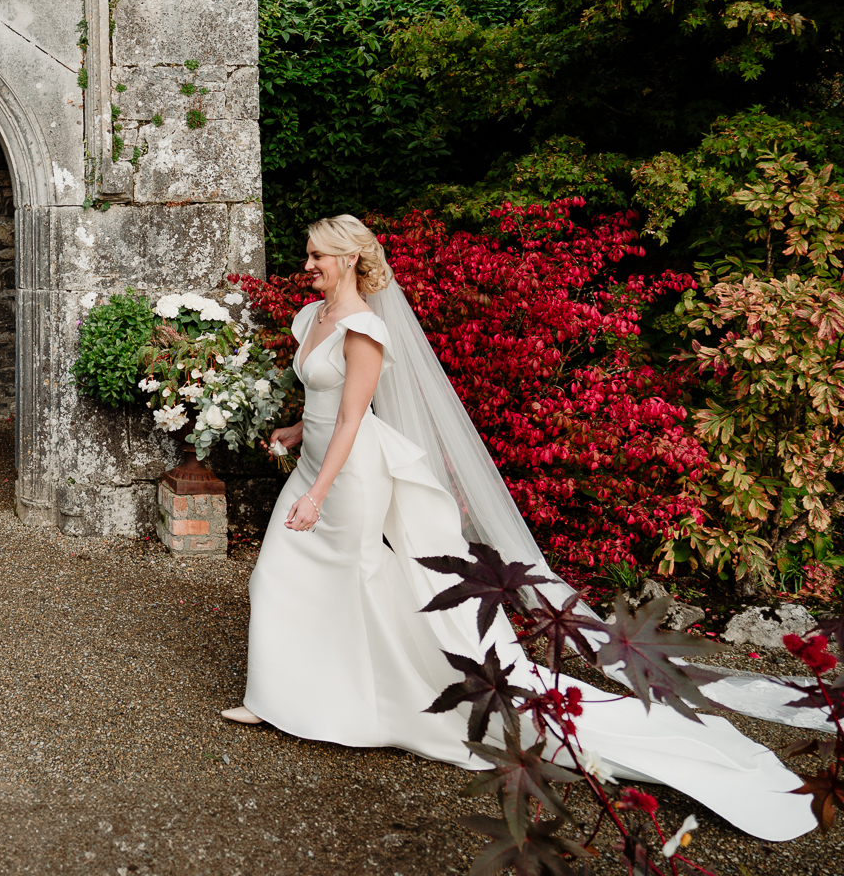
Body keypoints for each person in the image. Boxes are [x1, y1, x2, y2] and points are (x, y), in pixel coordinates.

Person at [221, 215, 814, 842]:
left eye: (317, 255)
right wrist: (292, 432)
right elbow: (320, 407)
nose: (307, 264)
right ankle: (283, 698)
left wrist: (316, 494)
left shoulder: (366, 329)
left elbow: (351, 420)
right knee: (281, 577)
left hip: (347, 479)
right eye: (308, 254)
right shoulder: (308, 318)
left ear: (347, 259)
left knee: (343, 583)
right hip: (314, 464)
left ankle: (360, 702)